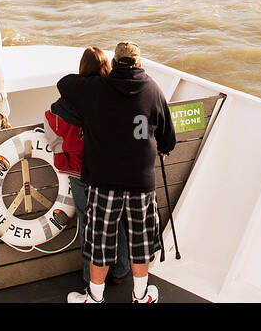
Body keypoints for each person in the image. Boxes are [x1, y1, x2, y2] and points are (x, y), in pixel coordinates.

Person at [55, 41, 176, 303]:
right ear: (139, 63)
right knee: (141, 242)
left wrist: (98, 74)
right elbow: (168, 140)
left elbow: (64, 83)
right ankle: (141, 295)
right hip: (140, 181)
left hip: (104, 181)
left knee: (100, 241)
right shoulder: (154, 90)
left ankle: (94, 297)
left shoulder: (98, 89)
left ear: (114, 62)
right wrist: (160, 147)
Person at [43, 47, 130, 287]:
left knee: (88, 223)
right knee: (117, 219)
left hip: (78, 172)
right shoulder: (114, 95)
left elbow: (52, 127)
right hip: (109, 171)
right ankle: (121, 269)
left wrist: (64, 148)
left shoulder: (68, 100)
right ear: (106, 67)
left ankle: (89, 277)